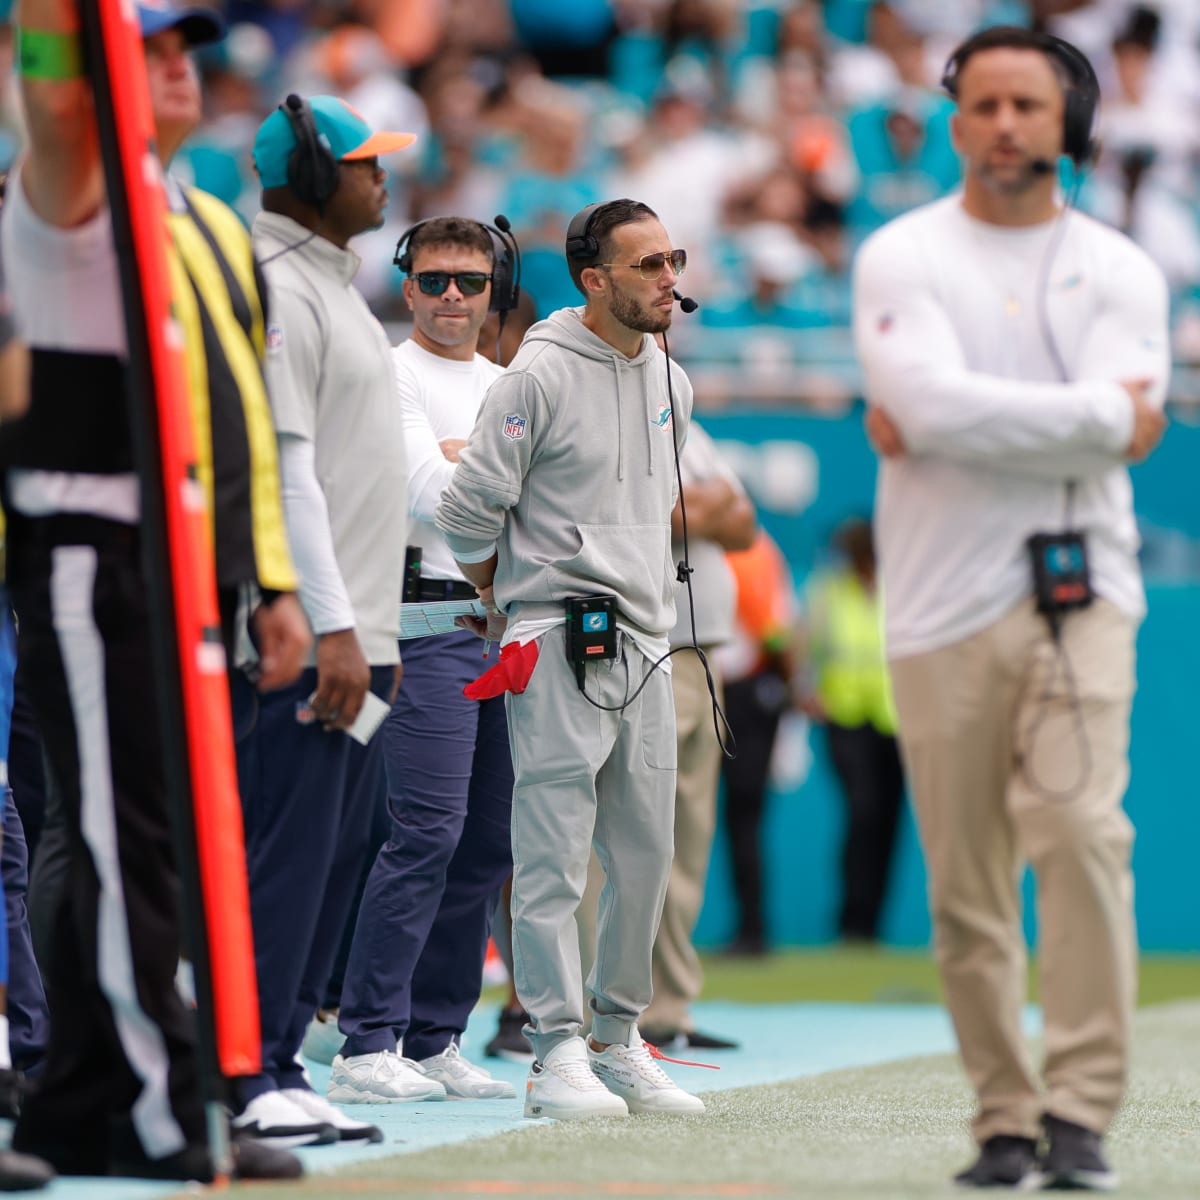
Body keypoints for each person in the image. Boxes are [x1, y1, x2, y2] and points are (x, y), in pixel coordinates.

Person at [853, 25, 1169, 1192]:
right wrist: (1090, 416)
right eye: (982, 104)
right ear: (954, 120)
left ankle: (1080, 1113)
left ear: (1064, 123)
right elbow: (926, 407)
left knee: (1084, 836)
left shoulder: (1121, 267)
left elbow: (935, 412)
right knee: (968, 882)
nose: (1002, 125)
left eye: (1026, 105)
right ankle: (1004, 1117)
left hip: (1081, 595)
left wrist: (943, 416)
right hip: (936, 606)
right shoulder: (900, 254)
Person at [0, 0, 309, 1182]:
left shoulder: (209, 226)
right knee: (129, 842)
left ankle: (79, 1096)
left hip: (182, 563)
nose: (174, 68)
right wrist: (51, 24)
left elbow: (240, 421)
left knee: (141, 835)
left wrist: (267, 579)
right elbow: (51, 90)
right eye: (150, 46)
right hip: (87, 547)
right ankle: (155, 1099)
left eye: (186, 50)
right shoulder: (71, 184)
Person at [436, 198, 705, 1121]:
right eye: (648, 266)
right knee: (550, 858)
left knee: (646, 856)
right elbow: (466, 512)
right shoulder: (533, 378)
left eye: (673, 259)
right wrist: (500, 595)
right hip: (553, 637)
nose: (670, 278)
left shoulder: (675, 378)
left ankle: (619, 1038)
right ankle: (553, 1051)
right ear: (595, 281)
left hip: (647, 643)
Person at [229, 92, 415, 1143]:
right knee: (289, 855)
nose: (381, 177)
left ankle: (282, 1052)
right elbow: (288, 471)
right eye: (363, 162)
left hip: (367, 635)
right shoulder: (275, 288)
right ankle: (245, 1068)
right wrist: (332, 623)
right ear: (308, 172)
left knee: (337, 855)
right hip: (321, 638)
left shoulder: (335, 289)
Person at [327, 216, 516, 1104]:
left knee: (485, 844)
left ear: (493, 293)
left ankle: (436, 1035)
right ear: (406, 288)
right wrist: (490, 478)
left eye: (468, 283)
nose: (451, 297)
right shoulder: (391, 374)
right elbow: (434, 501)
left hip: (499, 627)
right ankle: (369, 1039)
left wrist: (466, 466)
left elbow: (493, 495)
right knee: (424, 834)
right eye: (435, 280)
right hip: (421, 623)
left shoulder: (511, 383)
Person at [639, 421, 755, 1051]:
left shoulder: (692, 426)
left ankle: (668, 1008)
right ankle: (597, 1007)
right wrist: (701, 506)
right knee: (625, 831)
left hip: (702, 654)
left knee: (686, 835)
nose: (667, 322)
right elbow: (642, 515)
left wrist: (698, 508)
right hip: (644, 646)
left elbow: (744, 524)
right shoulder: (600, 401)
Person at [799, 516, 904, 944]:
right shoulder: (829, 590)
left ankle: (873, 922)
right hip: (845, 715)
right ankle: (852, 920)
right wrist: (806, 690)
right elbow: (803, 642)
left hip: (895, 718)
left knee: (888, 820)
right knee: (862, 811)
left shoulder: (902, 589)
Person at [715, 529, 797, 958]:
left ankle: (752, 929)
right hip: (737, 688)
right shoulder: (757, 547)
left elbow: (772, 630)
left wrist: (786, 679)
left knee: (742, 813)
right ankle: (750, 927)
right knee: (742, 815)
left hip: (740, 690)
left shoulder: (745, 548)